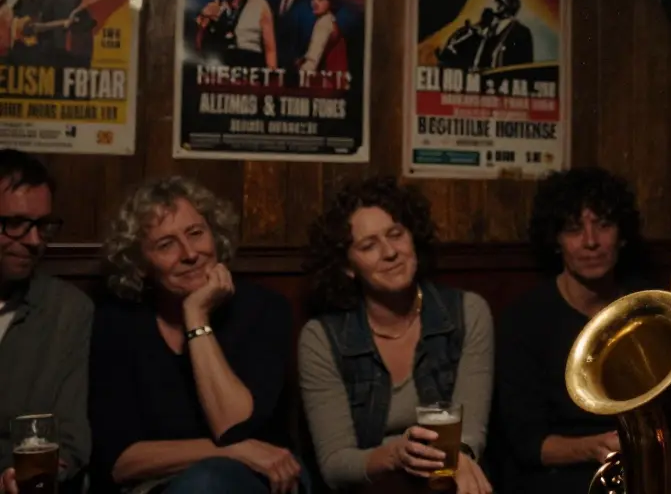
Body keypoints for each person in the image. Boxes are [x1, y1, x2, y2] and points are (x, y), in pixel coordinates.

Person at [89, 176, 304, 494]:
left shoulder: (263, 310)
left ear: (214, 234)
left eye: (196, 233)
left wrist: (196, 316)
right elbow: (119, 462)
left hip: (263, 481)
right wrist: (230, 450)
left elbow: (232, 426)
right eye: (166, 245)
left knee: (206, 484)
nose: (189, 253)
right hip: (159, 487)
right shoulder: (118, 323)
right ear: (140, 264)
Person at [297, 175, 494, 494]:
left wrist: (457, 459)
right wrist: (395, 455)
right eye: (368, 246)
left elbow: (470, 432)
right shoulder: (322, 337)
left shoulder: (467, 312)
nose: (390, 252)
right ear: (348, 266)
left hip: (450, 479)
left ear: (412, 238)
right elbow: (335, 464)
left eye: (396, 234)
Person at [492, 166, 653, 494]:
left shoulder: (649, 307)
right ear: (556, 240)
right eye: (574, 229)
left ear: (621, 236)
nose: (591, 242)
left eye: (604, 225)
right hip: (561, 475)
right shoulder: (523, 320)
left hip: (644, 464)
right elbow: (529, 445)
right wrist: (597, 447)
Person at [0, 150, 92, 490]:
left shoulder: (66, 311)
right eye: (13, 224)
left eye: (43, 225)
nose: (34, 241)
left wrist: (28, 474)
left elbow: (71, 437)